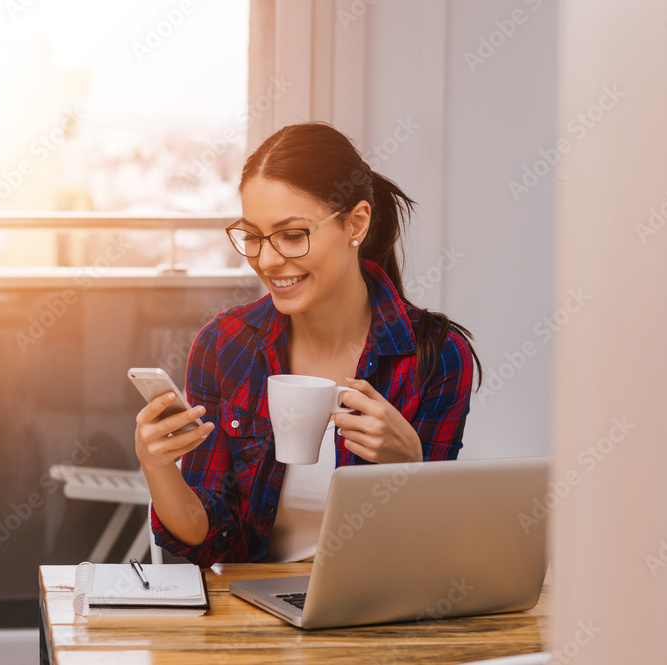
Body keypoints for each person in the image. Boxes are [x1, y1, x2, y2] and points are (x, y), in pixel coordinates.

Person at [136, 122, 481, 566]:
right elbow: (213, 542)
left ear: (356, 223)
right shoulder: (225, 346)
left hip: (378, 618)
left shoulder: (436, 355)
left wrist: (410, 464)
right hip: (255, 617)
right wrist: (158, 466)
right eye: (254, 237)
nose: (268, 259)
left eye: (292, 236)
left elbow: (430, 554)